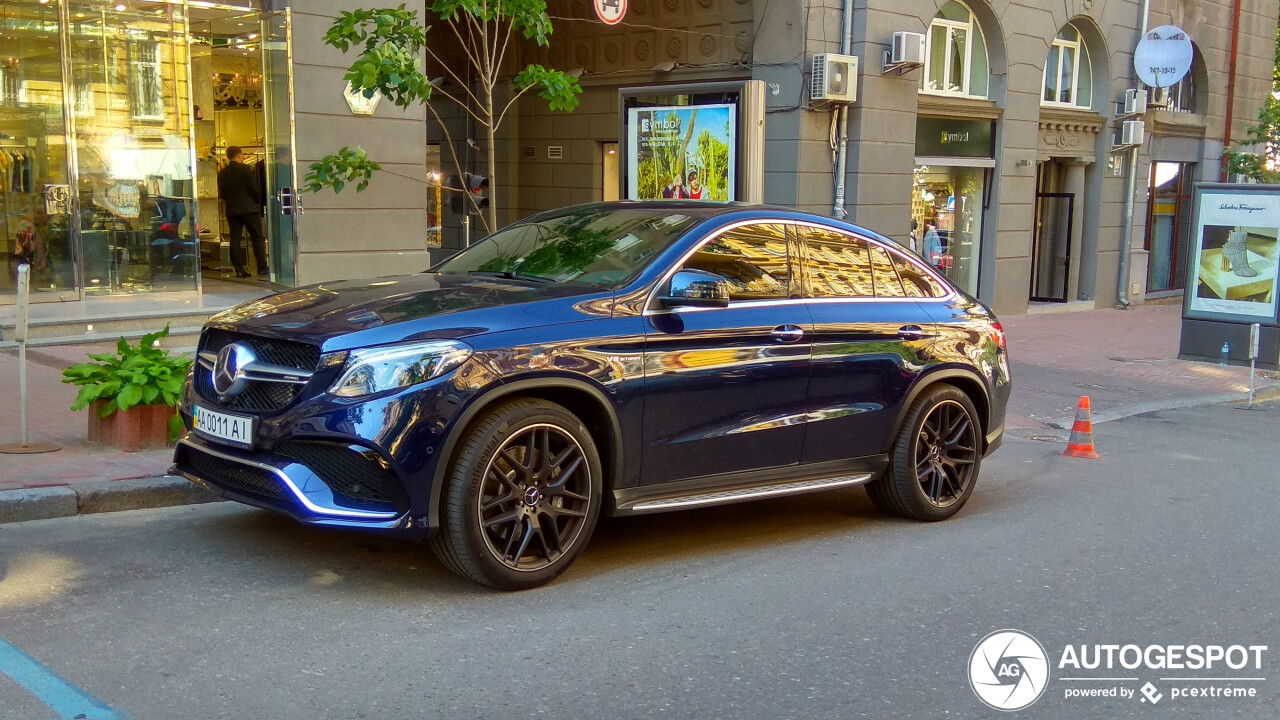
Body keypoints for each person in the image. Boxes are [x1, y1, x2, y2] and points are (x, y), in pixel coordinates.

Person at [217, 145, 266, 278]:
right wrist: (258, 200)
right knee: (257, 237)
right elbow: (254, 188)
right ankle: (261, 267)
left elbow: (222, 193)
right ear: (239, 155)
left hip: (232, 209)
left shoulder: (222, 173)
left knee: (235, 239)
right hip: (249, 208)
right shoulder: (246, 169)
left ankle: (239, 269)